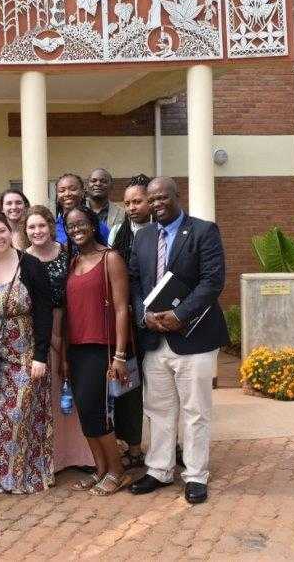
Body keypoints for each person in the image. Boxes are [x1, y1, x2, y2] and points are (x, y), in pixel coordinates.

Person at [127, 177, 230, 505]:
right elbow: (134, 281)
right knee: (157, 409)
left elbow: (213, 281)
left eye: (162, 197)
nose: (157, 203)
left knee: (196, 410)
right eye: (152, 198)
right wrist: (144, 313)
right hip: (155, 339)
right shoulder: (142, 237)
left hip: (194, 338)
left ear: (176, 196)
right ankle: (159, 469)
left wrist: (180, 314)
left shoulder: (203, 231)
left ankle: (196, 474)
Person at [0, 213, 54, 494]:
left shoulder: (30, 266)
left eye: (1, 231)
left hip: (25, 357)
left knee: (18, 416)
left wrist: (40, 356)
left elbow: (44, 313)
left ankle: (18, 476)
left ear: (10, 231)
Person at [62, 205, 132, 496]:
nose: (76, 229)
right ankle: (100, 469)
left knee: (99, 412)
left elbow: (120, 309)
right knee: (85, 412)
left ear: (93, 225)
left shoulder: (110, 258)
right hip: (77, 348)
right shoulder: (73, 261)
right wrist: (65, 355)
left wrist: (119, 355)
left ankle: (118, 471)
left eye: (81, 224)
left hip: (101, 348)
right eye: (70, 225)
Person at [24, 205, 93, 474]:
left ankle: (79, 454)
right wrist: (48, 335)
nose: (37, 231)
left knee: (72, 390)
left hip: (70, 323)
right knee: (48, 394)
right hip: (37, 330)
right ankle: (51, 458)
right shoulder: (22, 259)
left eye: (42, 225)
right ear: (25, 231)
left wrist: (61, 332)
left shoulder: (68, 255)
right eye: (31, 227)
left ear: (52, 227)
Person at [107, 173, 152, 471]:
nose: (132, 207)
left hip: (159, 321)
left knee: (161, 391)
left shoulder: (163, 232)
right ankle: (133, 447)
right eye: (127, 203)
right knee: (130, 389)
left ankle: (168, 445)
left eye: (138, 201)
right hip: (128, 324)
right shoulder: (116, 234)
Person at [55, 173, 108, 245]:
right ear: (57, 195)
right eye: (62, 191)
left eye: (72, 189)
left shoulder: (96, 225)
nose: (67, 194)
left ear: (83, 192)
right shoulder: (52, 228)